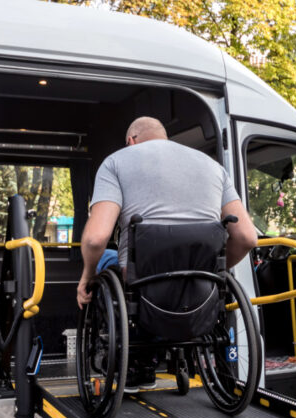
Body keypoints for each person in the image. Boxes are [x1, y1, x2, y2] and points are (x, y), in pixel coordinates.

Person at [76, 116, 257, 392]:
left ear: (130, 141)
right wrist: (213, 272)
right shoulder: (213, 167)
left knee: (107, 259)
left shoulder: (117, 162)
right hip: (200, 285)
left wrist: (87, 277)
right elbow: (247, 237)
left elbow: (95, 238)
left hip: (141, 280)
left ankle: (134, 359)